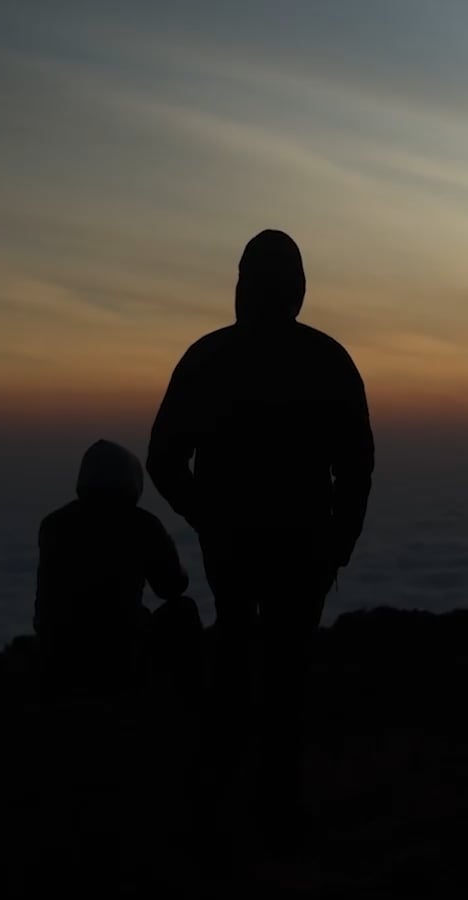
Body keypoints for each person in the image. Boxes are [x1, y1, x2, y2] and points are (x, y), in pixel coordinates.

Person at [147, 229, 374, 846]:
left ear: (242, 286)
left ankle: (217, 797)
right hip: (303, 548)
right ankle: (275, 804)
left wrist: (206, 516)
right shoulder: (327, 359)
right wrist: (338, 541)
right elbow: (356, 467)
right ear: (299, 289)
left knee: (234, 663)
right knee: (287, 673)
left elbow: (164, 459)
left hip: (239, 547)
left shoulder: (208, 357)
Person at [34, 439, 200, 696]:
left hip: (57, 652)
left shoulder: (53, 525)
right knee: (184, 611)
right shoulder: (141, 525)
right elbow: (171, 587)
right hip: (121, 649)